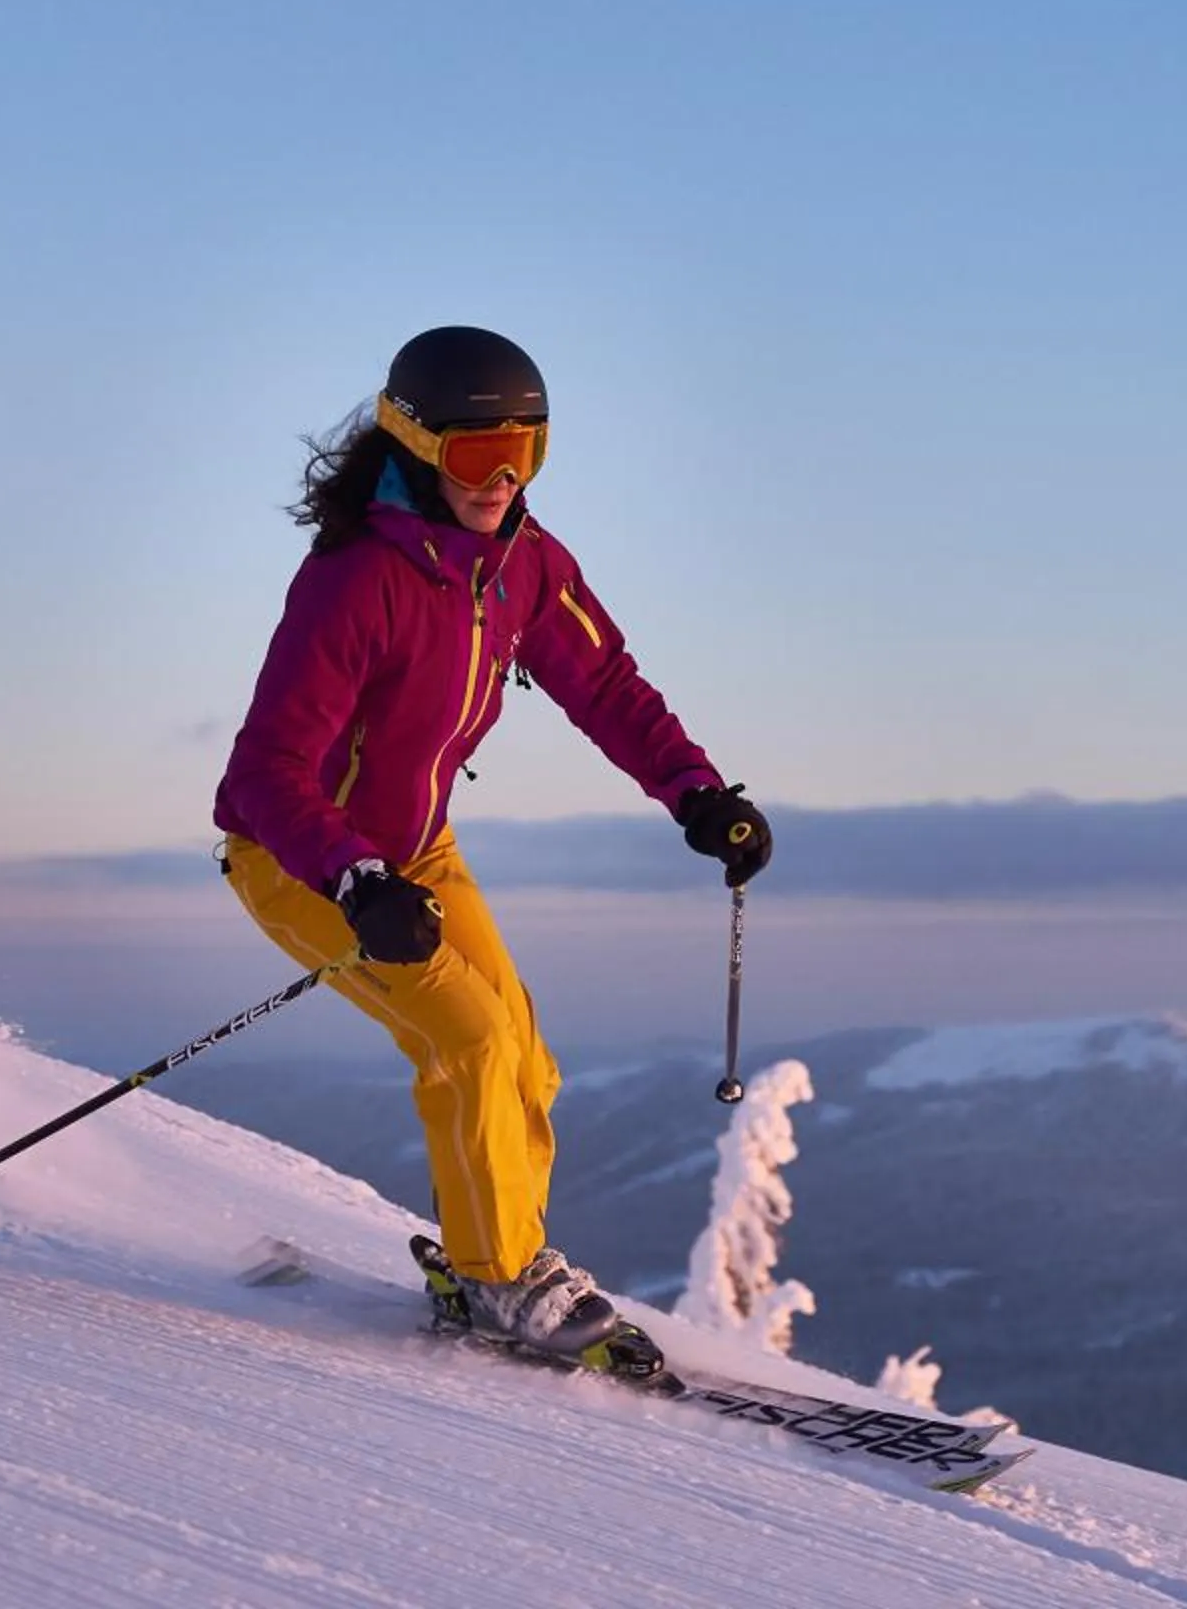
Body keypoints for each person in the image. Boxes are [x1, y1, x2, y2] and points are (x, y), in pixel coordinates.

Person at [212, 325, 773, 1360]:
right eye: (479, 456)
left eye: (525, 453)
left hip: (414, 850)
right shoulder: (355, 580)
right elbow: (263, 773)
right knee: (466, 1040)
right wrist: (355, 878)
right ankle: (496, 1277)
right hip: (301, 858)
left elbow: (606, 685)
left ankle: (503, 1255)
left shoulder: (525, 563)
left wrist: (696, 793)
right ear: (418, 445)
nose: (502, 480)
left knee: (524, 1058)